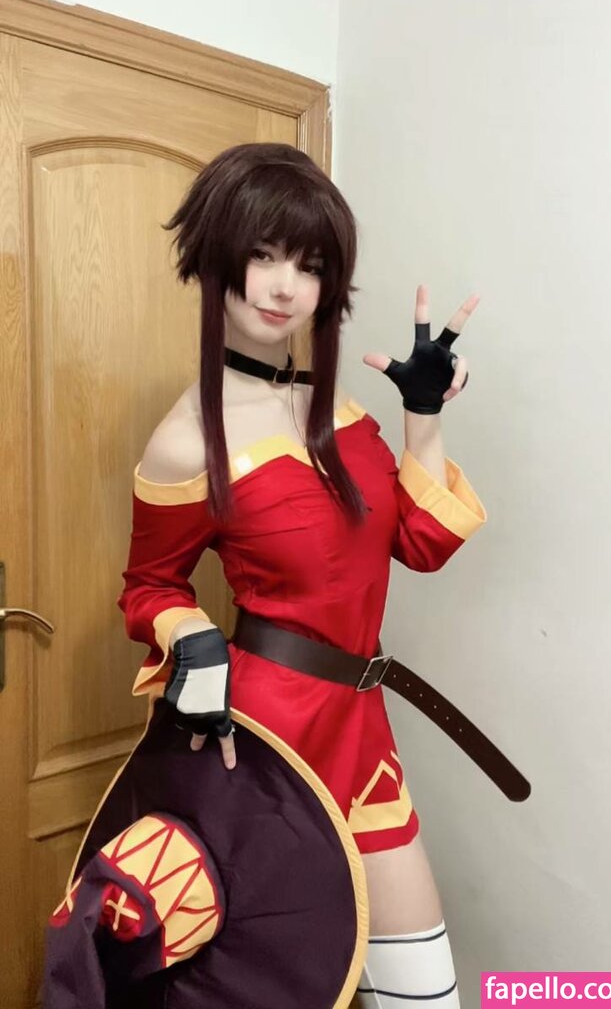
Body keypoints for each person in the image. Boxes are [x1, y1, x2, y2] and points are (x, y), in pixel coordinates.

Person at [116, 142, 487, 1007]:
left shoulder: (342, 415)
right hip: (260, 744)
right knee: (264, 989)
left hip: (362, 731)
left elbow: (422, 544)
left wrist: (421, 417)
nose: (285, 287)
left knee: (424, 993)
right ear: (216, 259)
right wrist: (189, 634)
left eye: (311, 265)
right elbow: (148, 586)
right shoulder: (187, 438)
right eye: (262, 255)